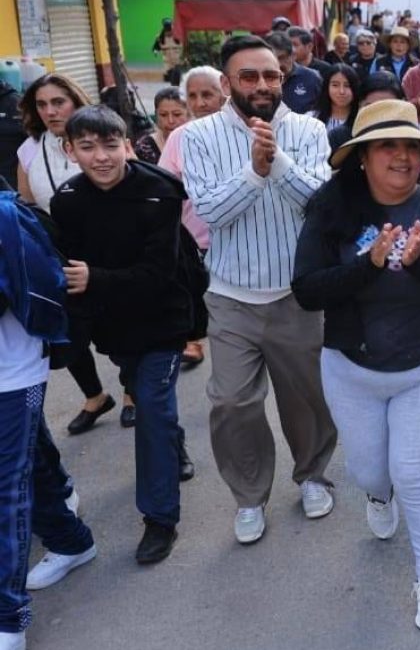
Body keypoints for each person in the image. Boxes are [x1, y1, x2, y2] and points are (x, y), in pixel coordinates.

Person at [292, 100, 420, 632]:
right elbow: (307, 291)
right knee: (369, 471)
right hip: (352, 370)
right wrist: (367, 265)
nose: (402, 156)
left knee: (415, 473)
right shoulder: (330, 212)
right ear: (362, 158)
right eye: (387, 146)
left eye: (411, 147)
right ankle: (379, 497)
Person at [182, 35, 338, 544]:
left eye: (271, 75)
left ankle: (312, 475)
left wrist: (279, 162)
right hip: (231, 297)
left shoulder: (310, 129)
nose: (263, 85)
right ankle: (249, 497)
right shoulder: (199, 135)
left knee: (306, 400)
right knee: (231, 404)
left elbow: (321, 203)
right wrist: (254, 171)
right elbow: (209, 213)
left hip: (296, 296)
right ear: (227, 83)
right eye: (249, 77)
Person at [51, 105, 195, 564]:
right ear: (69, 150)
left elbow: (158, 273)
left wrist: (95, 278)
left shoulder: (160, 192)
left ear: (127, 145)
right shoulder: (67, 200)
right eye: (88, 147)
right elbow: (68, 271)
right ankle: (175, 448)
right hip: (114, 329)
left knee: (150, 406)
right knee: (144, 395)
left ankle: (159, 519)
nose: (101, 157)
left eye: (111, 145)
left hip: (166, 319)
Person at [0, 184, 98, 650]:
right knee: (25, 462)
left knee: (6, 488)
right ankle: (70, 538)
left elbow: (35, 288)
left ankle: (7, 619)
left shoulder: (5, 216)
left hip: (11, 374)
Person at [14, 74, 133, 432]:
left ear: (75, 101)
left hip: (108, 249)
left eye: (58, 102)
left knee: (124, 323)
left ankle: (132, 393)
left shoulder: (102, 136)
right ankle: (95, 396)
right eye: (42, 104)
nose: (50, 111)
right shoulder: (30, 149)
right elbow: (28, 206)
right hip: (58, 253)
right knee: (67, 332)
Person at [158, 66, 226, 370]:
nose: (200, 103)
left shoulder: (240, 133)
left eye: (207, 94)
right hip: (193, 244)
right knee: (196, 302)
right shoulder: (179, 138)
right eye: (193, 96)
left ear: (224, 91)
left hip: (234, 243)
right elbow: (164, 188)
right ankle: (194, 341)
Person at [267, 31, 322, 115]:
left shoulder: (312, 78)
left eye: (282, 58)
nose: (278, 64)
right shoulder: (259, 81)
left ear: (293, 55)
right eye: (273, 58)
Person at [134, 87, 188, 165]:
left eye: (177, 114)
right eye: (163, 115)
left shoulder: (199, 143)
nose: (170, 121)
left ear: (189, 113)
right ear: (156, 115)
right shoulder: (145, 147)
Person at [312, 64, 361, 134]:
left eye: (347, 86)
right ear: (327, 87)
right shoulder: (312, 118)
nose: (341, 91)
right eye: (335, 85)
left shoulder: (363, 118)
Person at [153, 18, 183, 85]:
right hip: (167, 62)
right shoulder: (160, 38)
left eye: (170, 30)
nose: (169, 32)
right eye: (167, 31)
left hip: (177, 60)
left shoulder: (178, 36)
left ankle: (176, 86)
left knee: (176, 75)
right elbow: (156, 47)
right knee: (170, 76)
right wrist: (155, 51)